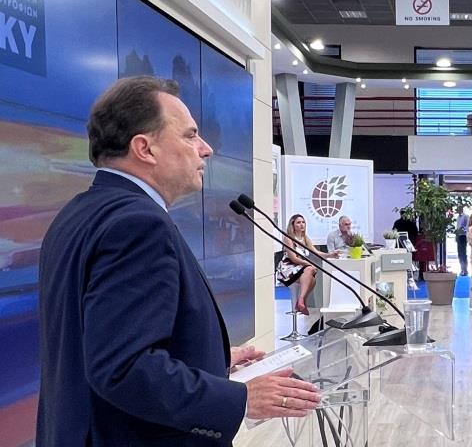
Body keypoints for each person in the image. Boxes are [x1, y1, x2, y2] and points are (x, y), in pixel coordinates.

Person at [37, 76, 319, 446]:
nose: (206, 149)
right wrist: (239, 399)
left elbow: (100, 339)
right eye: (190, 136)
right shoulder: (138, 224)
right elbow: (123, 367)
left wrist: (207, 359)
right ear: (145, 148)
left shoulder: (77, 213)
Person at [278, 214, 339, 315]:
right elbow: (293, 258)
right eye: (298, 222)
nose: (302, 225)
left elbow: (316, 252)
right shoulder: (288, 238)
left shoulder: (305, 238)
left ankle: (301, 301)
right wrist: (309, 264)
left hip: (300, 267)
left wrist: (330, 255)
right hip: (288, 268)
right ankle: (301, 301)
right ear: (292, 225)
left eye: (303, 222)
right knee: (311, 269)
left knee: (313, 279)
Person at [455, 209, 469, 276]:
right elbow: (457, 227)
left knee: (463, 253)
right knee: (459, 253)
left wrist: (462, 230)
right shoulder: (458, 217)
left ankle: (465, 270)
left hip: (463, 236)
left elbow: (467, 226)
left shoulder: (466, 216)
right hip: (458, 236)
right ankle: (462, 269)